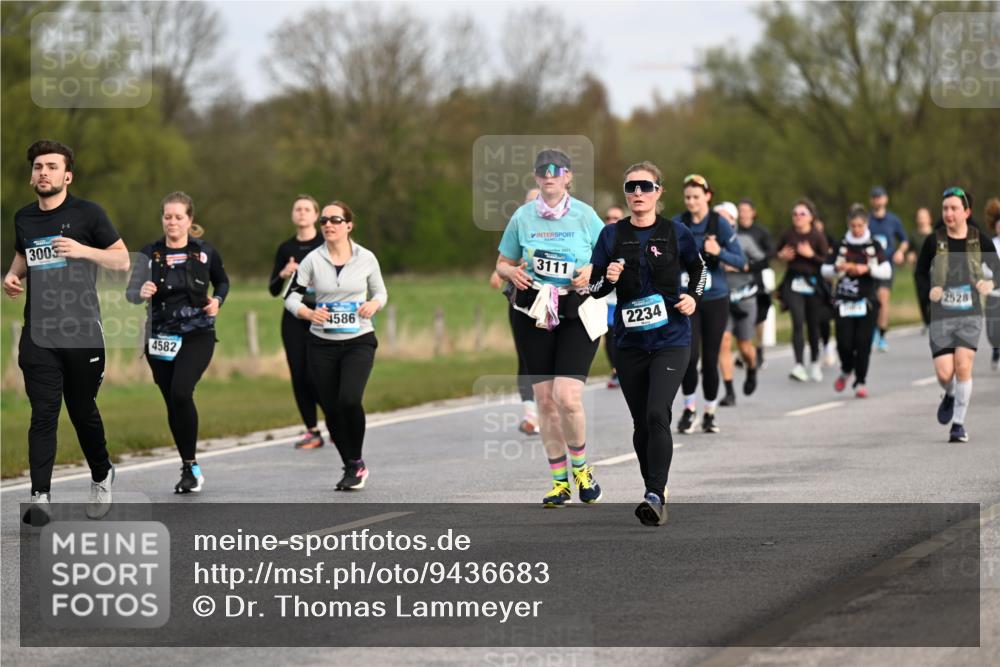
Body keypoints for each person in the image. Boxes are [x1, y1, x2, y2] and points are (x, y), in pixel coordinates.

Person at [5, 140, 130, 524]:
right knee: (43, 413)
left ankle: (101, 471)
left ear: (67, 175)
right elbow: (24, 255)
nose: (44, 172)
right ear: (32, 175)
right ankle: (40, 497)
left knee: (81, 410)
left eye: (52, 166)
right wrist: (12, 275)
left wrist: (83, 251)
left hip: (81, 332)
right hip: (39, 332)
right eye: (39, 166)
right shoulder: (24, 218)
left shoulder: (88, 214)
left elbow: (123, 260)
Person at [589, 161, 704, 526]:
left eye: (644, 186)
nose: (637, 193)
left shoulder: (676, 232)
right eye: (630, 188)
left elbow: (702, 270)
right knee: (641, 423)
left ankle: (654, 494)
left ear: (658, 192)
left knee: (658, 412)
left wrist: (693, 298)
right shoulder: (610, 236)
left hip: (671, 338)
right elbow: (593, 288)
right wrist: (607, 278)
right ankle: (654, 485)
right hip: (629, 343)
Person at [495, 148, 604, 507]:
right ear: (536, 177)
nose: (550, 175)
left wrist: (593, 271)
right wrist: (512, 272)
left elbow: (610, 260)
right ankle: (560, 481)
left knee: (567, 398)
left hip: (577, 309)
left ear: (569, 176)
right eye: (543, 170)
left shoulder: (586, 216)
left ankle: (582, 468)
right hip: (534, 311)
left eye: (557, 170)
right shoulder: (523, 217)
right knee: (544, 399)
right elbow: (502, 264)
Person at [126, 192, 229, 493]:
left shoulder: (205, 252)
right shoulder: (150, 253)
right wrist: (141, 290)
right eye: (167, 216)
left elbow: (222, 281)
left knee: (182, 391)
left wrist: (218, 301)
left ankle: (191, 465)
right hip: (159, 337)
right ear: (163, 219)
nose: (172, 222)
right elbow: (131, 294)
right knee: (172, 399)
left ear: (189, 220)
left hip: (197, 333)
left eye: (178, 217)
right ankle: (189, 467)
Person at [285, 201, 387, 489]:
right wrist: (307, 312)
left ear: (348, 225)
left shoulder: (366, 258)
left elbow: (381, 291)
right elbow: (291, 297)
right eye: (324, 221)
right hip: (321, 343)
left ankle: (355, 457)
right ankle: (352, 464)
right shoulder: (312, 261)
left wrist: (374, 304)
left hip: (359, 341)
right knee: (331, 408)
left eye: (335, 219)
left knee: (349, 399)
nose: (328, 224)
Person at [914, 187, 1000, 443]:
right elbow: (919, 273)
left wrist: (990, 284)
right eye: (945, 209)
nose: (948, 213)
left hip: (970, 313)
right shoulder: (934, 241)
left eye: (954, 208)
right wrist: (929, 292)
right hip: (941, 315)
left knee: (963, 366)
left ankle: (958, 425)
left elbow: (998, 271)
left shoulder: (979, 240)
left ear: (966, 212)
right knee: (944, 374)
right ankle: (949, 394)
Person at [673, 175, 745, 434]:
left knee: (711, 357)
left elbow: (740, 260)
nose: (691, 202)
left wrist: (718, 252)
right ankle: (689, 409)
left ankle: (710, 412)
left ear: (707, 197)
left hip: (715, 298)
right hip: (687, 298)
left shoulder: (720, 224)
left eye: (696, 197)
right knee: (689, 358)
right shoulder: (678, 223)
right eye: (687, 197)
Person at [269, 195, 326, 449]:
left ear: (316, 215)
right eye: (297, 209)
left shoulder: (326, 243)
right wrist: (283, 274)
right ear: (293, 215)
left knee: (320, 375)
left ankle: (336, 421)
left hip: (323, 314)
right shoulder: (286, 249)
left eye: (307, 209)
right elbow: (272, 289)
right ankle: (312, 430)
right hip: (293, 318)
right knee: (299, 375)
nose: (302, 213)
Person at [822, 206, 890, 397]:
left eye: (860, 225)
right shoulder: (841, 245)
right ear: (848, 225)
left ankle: (860, 381)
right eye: (853, 226)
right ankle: (846, 368)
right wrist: (838, 269)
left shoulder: (873, 245)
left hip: (866, 301)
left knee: (863, 344)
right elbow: (825, 270)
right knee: (844, 343)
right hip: (844, 301)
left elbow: (886, 270)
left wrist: (866, 269)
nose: (857, 229)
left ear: (866, 224)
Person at [490, 187, 541, 435]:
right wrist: (500, 272)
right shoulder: (519, 226)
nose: (533, 205)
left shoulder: (556, 230)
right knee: (525, 356)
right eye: (529, 201)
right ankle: (531, 416)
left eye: (537, 200)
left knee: (550, 358)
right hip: (521, 302)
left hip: (553, 304)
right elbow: (504, 261)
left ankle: (554, 408)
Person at [777, 199, 830, 382]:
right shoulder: (787, 235)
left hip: (813, 284)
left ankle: (815, 363)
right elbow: (777, 254)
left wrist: (811, 255)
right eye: (795, 214)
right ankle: (798, 365)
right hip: (793, 283)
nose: (798, 217)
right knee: (797, 321)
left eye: (802, 214)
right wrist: (782, 256)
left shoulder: (817, 236)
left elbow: (827, 262)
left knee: (813, 324)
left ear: (811, 217)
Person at [716, 202, 761, 405]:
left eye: (725, 218)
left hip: (744, 299)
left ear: (733, 221)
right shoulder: (710, 243)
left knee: (744, 347)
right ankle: (729, 391)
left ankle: (752, 368)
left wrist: (741, 266)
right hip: (722, 300)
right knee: (723, 343)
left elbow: (762, 262)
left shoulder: (744, 240)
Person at [868, 186, 909, 352]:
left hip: (886, 266)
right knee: (870, 300)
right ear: (872, 200)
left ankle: (882, 335)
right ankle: (872, 331)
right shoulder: (866, 220)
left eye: (880, 197)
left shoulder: (893, 220)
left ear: (885, 199)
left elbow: (904, 240)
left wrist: (900, 252)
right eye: (874, 197)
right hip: (870, 266)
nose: (877, 200)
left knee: (883, 299)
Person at [735, 199, 775, 366]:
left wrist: (753, 262)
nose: (743, 213)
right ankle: (743, 351)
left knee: (758, 316)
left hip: (756, 278)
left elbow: (771, 252)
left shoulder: (760, 232)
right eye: (740, 210)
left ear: (753, 212)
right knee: (739, 315)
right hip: (736, 280)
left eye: (746, 210)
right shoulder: (732, 231)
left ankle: (759, 349)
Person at [812, 217, 839, 367]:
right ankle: (817, 349)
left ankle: (828, 344)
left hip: (826, 285)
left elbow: (833, 262)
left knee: (825, 318)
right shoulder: (806, 240)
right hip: (811, 284)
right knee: (812, 319)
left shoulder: (830, 241)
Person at [603, 204, 625, 388]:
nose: (611, 221)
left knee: (624, 335)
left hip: (625, 299)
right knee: (609, 335)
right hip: (606, 300)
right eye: (608, 218)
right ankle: (616, 370)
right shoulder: (600, 241)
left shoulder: (629, 240)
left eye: (615, 218)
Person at [909, 207, 935, 329]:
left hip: (934, 270)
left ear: (929, 218)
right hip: (920, 271)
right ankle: (927, 321)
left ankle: (935, 318)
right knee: (922, 296)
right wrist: (910, 256)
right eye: (919, 217)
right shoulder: (914, 235)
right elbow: (910, 251)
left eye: (924, 217)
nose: (922, 220)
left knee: (934, 295)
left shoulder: (935, 233)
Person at [982, 198, 1000, 370]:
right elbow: (984, 268)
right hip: (994, 292)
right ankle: (996, 349)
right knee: (993, 329)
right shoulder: (991, 244)